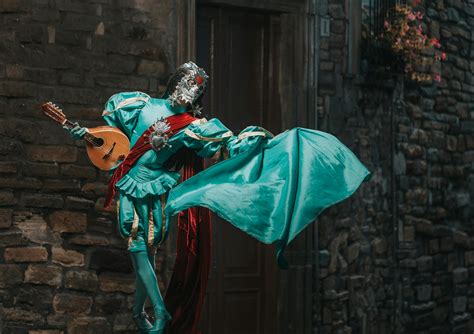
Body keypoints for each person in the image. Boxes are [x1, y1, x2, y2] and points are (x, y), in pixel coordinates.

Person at [66, 61, 370, 334]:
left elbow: (228, 146)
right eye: (187, 85)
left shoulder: (194, 128)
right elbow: (113, 131)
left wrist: (259, 143)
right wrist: (91, 137)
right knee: (136, 246)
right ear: (176, 82)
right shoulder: (139, 104)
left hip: (157, 185)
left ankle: (137, 312)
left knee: (149, 246)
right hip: (130, 182)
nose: (188, 94)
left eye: (196, 91)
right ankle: (158, 311)